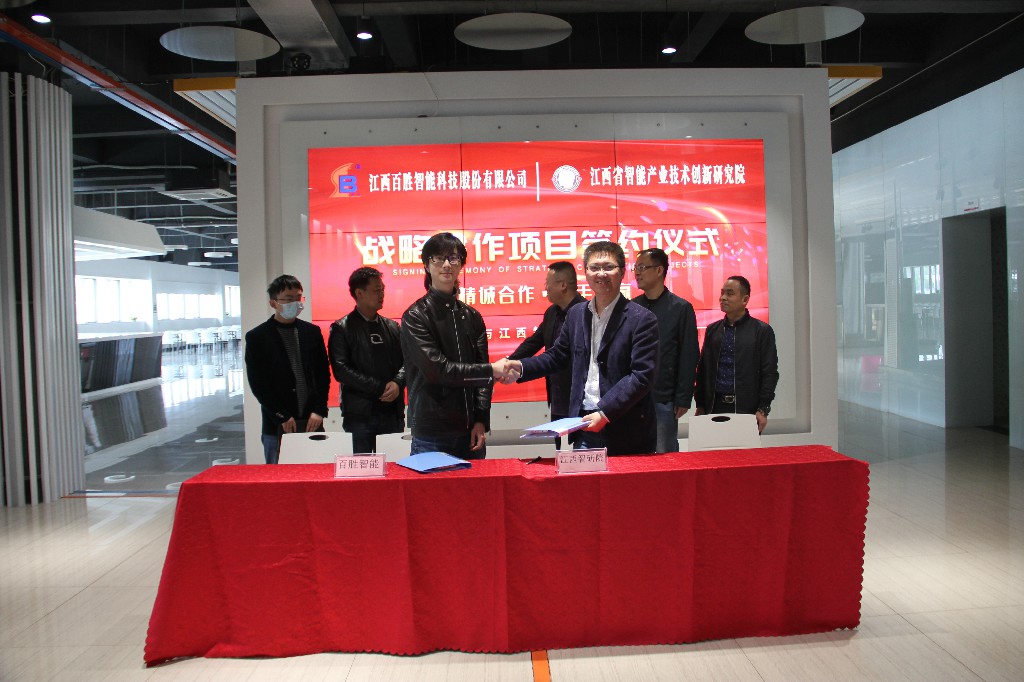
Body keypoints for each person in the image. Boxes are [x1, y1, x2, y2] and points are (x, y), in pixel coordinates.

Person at [504, 241, 659, 456]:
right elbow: (557, 356)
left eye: (609, 267)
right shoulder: (576, 314)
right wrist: (520, 367)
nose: (601, 274)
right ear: (585, 272)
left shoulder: (642, 319)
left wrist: (605, 412)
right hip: (584, 425)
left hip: (627, 427)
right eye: (594, 268)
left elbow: (641, 375)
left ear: (622, 272)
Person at [401, 232, 510, 460]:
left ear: (461, 265)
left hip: (470, 431)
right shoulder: (415, 315)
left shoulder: (472, 316)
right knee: (431, 486)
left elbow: (483, 378)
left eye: (453, 258)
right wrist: (491, 370)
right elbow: (437, 370)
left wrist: (481, 419)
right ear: (426, 265)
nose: (447, 264)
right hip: (431, 431)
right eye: (438, 258)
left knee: (477, 485)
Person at [244, 274, 330, 464]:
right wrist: (280, 414)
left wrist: (319, 410)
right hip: (278, 423)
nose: (295, 303)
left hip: (311, 420)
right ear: (273, 303)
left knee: (316, 473)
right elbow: (258, 383)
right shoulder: (257, 337)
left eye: (298, 298)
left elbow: (323, 375)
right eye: (288, 299)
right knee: (280, 476)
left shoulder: (311, 332)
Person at [507, 261, 586, 449]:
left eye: (548, 283)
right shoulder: (551, 312)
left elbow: (561, 356)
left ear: (563, 285)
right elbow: (534, 342)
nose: (545, 288)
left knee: (582, 452)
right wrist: (509, 363)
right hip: (557, 397)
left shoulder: (586, 312)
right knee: (561, 452)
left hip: (581, 399)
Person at [328, 267, 405, 454]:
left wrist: (398, 382)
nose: (382, 294)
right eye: (376, 290)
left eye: (383, 289)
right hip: (360, 415)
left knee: (394, 465)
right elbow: (341, 370)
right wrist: (379, 388)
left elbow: (408, 361)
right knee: (361, 467)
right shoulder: (341, 328)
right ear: (359, 293)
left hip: (391, 412)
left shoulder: (392, 326)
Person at [632, 248, 699, 453]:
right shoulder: (632, 307)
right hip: (634, 399)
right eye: (635, 268)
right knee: (635, 457)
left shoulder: (680, 308)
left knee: (665, 456)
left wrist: (683, 397)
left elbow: (688, 355)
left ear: (659, 270)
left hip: (664, 397)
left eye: (642, 267)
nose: (637, 273)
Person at [694, 275, 779, 433]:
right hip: (714, 406)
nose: (723, 298)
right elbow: (703, 369)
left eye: (730, 293)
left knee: (743, 449)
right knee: (715, 448)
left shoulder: (761, 331)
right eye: (722, 293)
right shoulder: (713, 330)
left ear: (745, 299)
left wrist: (763, 409)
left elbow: (769, 372)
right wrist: (700, 404)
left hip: (746, 408)